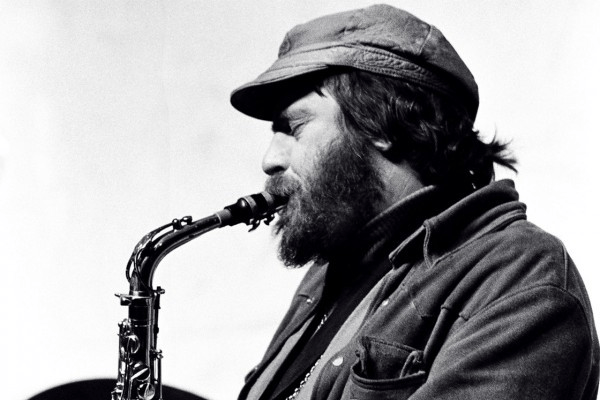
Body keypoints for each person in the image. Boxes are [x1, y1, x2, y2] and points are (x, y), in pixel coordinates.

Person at [229, 4, 599, 400]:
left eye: (293, 127)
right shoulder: (329, 272)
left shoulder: (520, 277)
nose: (270, 160)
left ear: (380, 122)